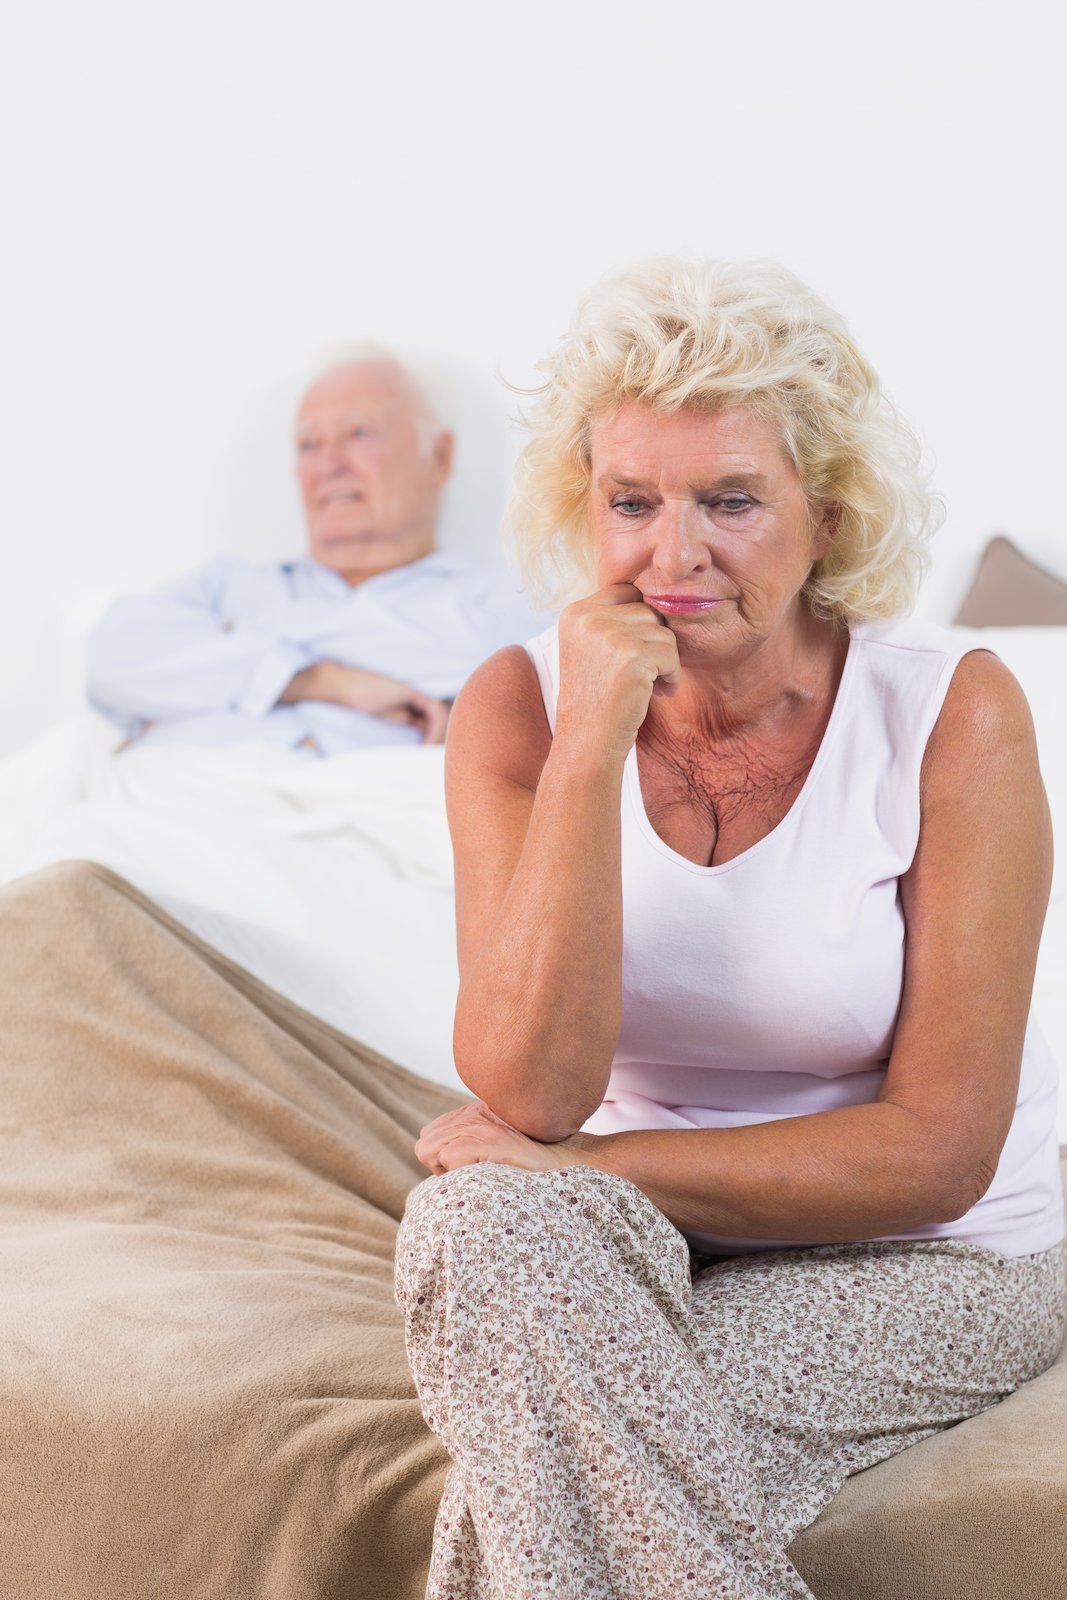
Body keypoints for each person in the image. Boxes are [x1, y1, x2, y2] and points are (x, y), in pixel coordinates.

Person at [393, 261, 1065, 1598]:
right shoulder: (519, 708)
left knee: (521, 1481)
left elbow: (934, 1155)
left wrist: (586, 1172)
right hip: (623, 1229)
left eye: (729, 501)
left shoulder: (950, 717)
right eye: (630, 502)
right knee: (473, 1231)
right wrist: (589, 744)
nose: (671, 554)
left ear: (825, 515)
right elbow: (526, 1091)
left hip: (934, 1253)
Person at [86, 351, 547, 754]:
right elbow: (111, 661)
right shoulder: (228, 588)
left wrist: (226, 659)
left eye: (359, 434)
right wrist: (316, 680)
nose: (329, 464)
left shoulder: (505, 610)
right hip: (164, 812)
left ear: (440, 456)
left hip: (344, 833)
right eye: (309, 444)